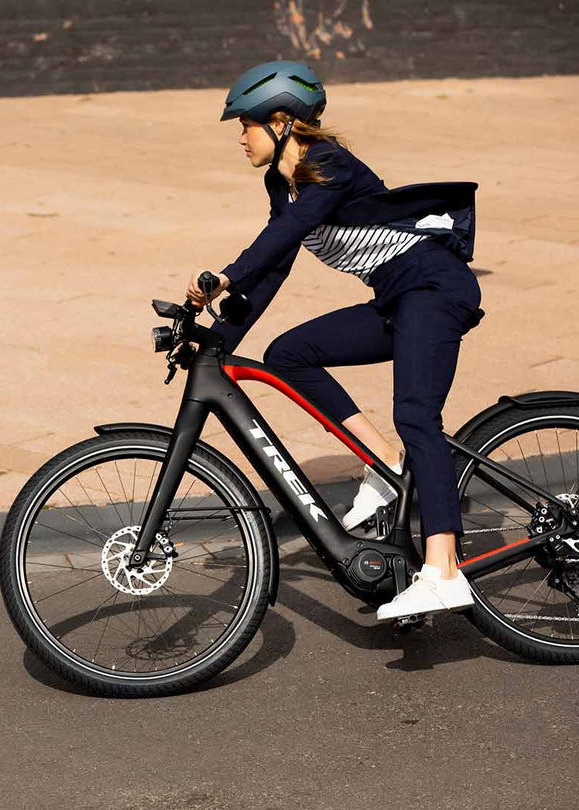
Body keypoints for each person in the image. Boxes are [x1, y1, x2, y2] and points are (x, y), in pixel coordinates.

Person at [186, 61, 484, 622]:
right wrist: (217, 340)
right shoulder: (284, 182)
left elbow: (285, 234)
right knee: (288, 355)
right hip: (398, 298)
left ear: (280, 123)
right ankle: (388, 462)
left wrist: (225, 274)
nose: (239, 138)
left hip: (434, 289)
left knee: (417, 413)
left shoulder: (328, 165)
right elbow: (275, 265)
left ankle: (444, 571)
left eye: (244, 125)